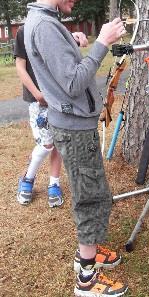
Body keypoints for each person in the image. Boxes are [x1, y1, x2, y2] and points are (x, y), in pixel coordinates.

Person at [24, 0, 128, 297]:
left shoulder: (45, 22)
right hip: (74, 127)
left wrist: (75, 46)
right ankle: (86, 277)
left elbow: (62, 73)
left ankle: (92, 251)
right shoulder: (44, 26)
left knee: (93, 191)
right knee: (90, 196)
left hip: (73, 124)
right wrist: (101, 44)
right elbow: (72, 84)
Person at [15, 25, 88, 207]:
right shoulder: (24, 31)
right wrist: (37, 94)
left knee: (58, 142)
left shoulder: (55, 28)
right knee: (46, 144)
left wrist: (77, 36)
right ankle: (28, 177)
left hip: (59, 97)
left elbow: (71, 46)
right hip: (38, 100)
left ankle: (53, 183)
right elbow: (20, 67)